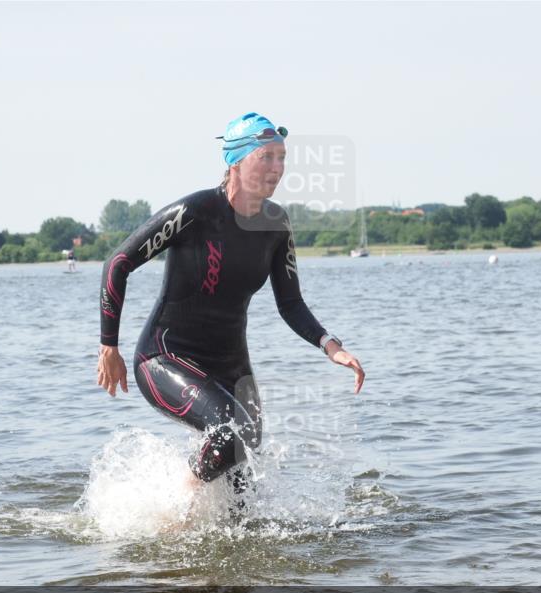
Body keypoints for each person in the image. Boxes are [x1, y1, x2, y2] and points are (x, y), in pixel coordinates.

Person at [97, 112, 365, 494]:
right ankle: (174, 505)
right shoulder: (194, 213)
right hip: (166, 357)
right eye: (266, 157)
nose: (277, 168)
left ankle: (211, 524)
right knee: (229, 432)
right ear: (235, 161)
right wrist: (109, 347)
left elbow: (290, 303)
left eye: (282, 158)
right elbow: (118, 263)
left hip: (230, 366)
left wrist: (330, 345)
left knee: (244, 474)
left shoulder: (276, 224)